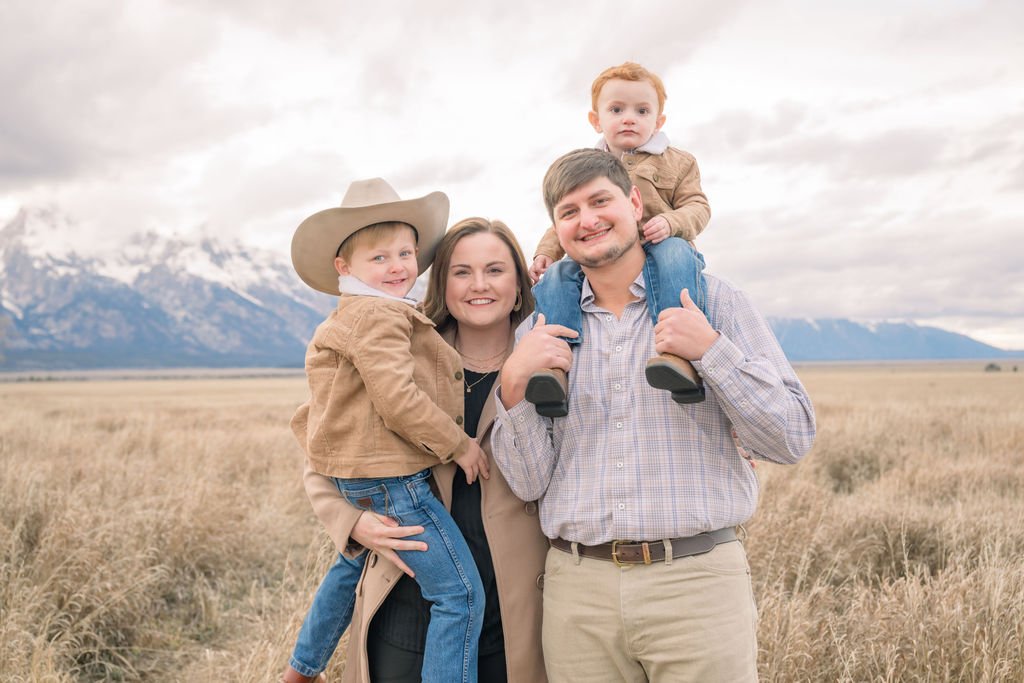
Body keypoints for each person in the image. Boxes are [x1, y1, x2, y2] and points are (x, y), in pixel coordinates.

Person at [491, 148, 816, 682]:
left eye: (601, 201)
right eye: (569, 211)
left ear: (636, 202)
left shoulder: (714, 303)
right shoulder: (540, 330)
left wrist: (711, 350)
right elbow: (529, 484)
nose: (587, 219)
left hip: (697, 585)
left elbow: (792, 437)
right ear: (556, 228)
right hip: (578, 591)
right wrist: (511, 387)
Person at [288, 218, 549, 683]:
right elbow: (324, 444)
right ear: (442, 281)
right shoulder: (396, 346)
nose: (479, 285)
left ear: (520, 281)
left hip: (516, 610)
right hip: (403, 603)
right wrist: (354, 522)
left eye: (495, 270)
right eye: (462, 272)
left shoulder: (547, 358)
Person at [524, 61, 713, 417]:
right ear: (596, 120)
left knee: (674, 256)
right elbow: (566, 217)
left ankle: (677, 356)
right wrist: (546, 253)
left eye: (642, 111)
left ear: (659, 122)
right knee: (557, 277)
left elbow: (698, 206)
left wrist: (672, 223)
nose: (629, 118)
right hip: (599, 260)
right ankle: (553, 365)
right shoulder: (586, 165)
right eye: (616, 110)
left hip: (661, 247)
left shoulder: (679, 162)